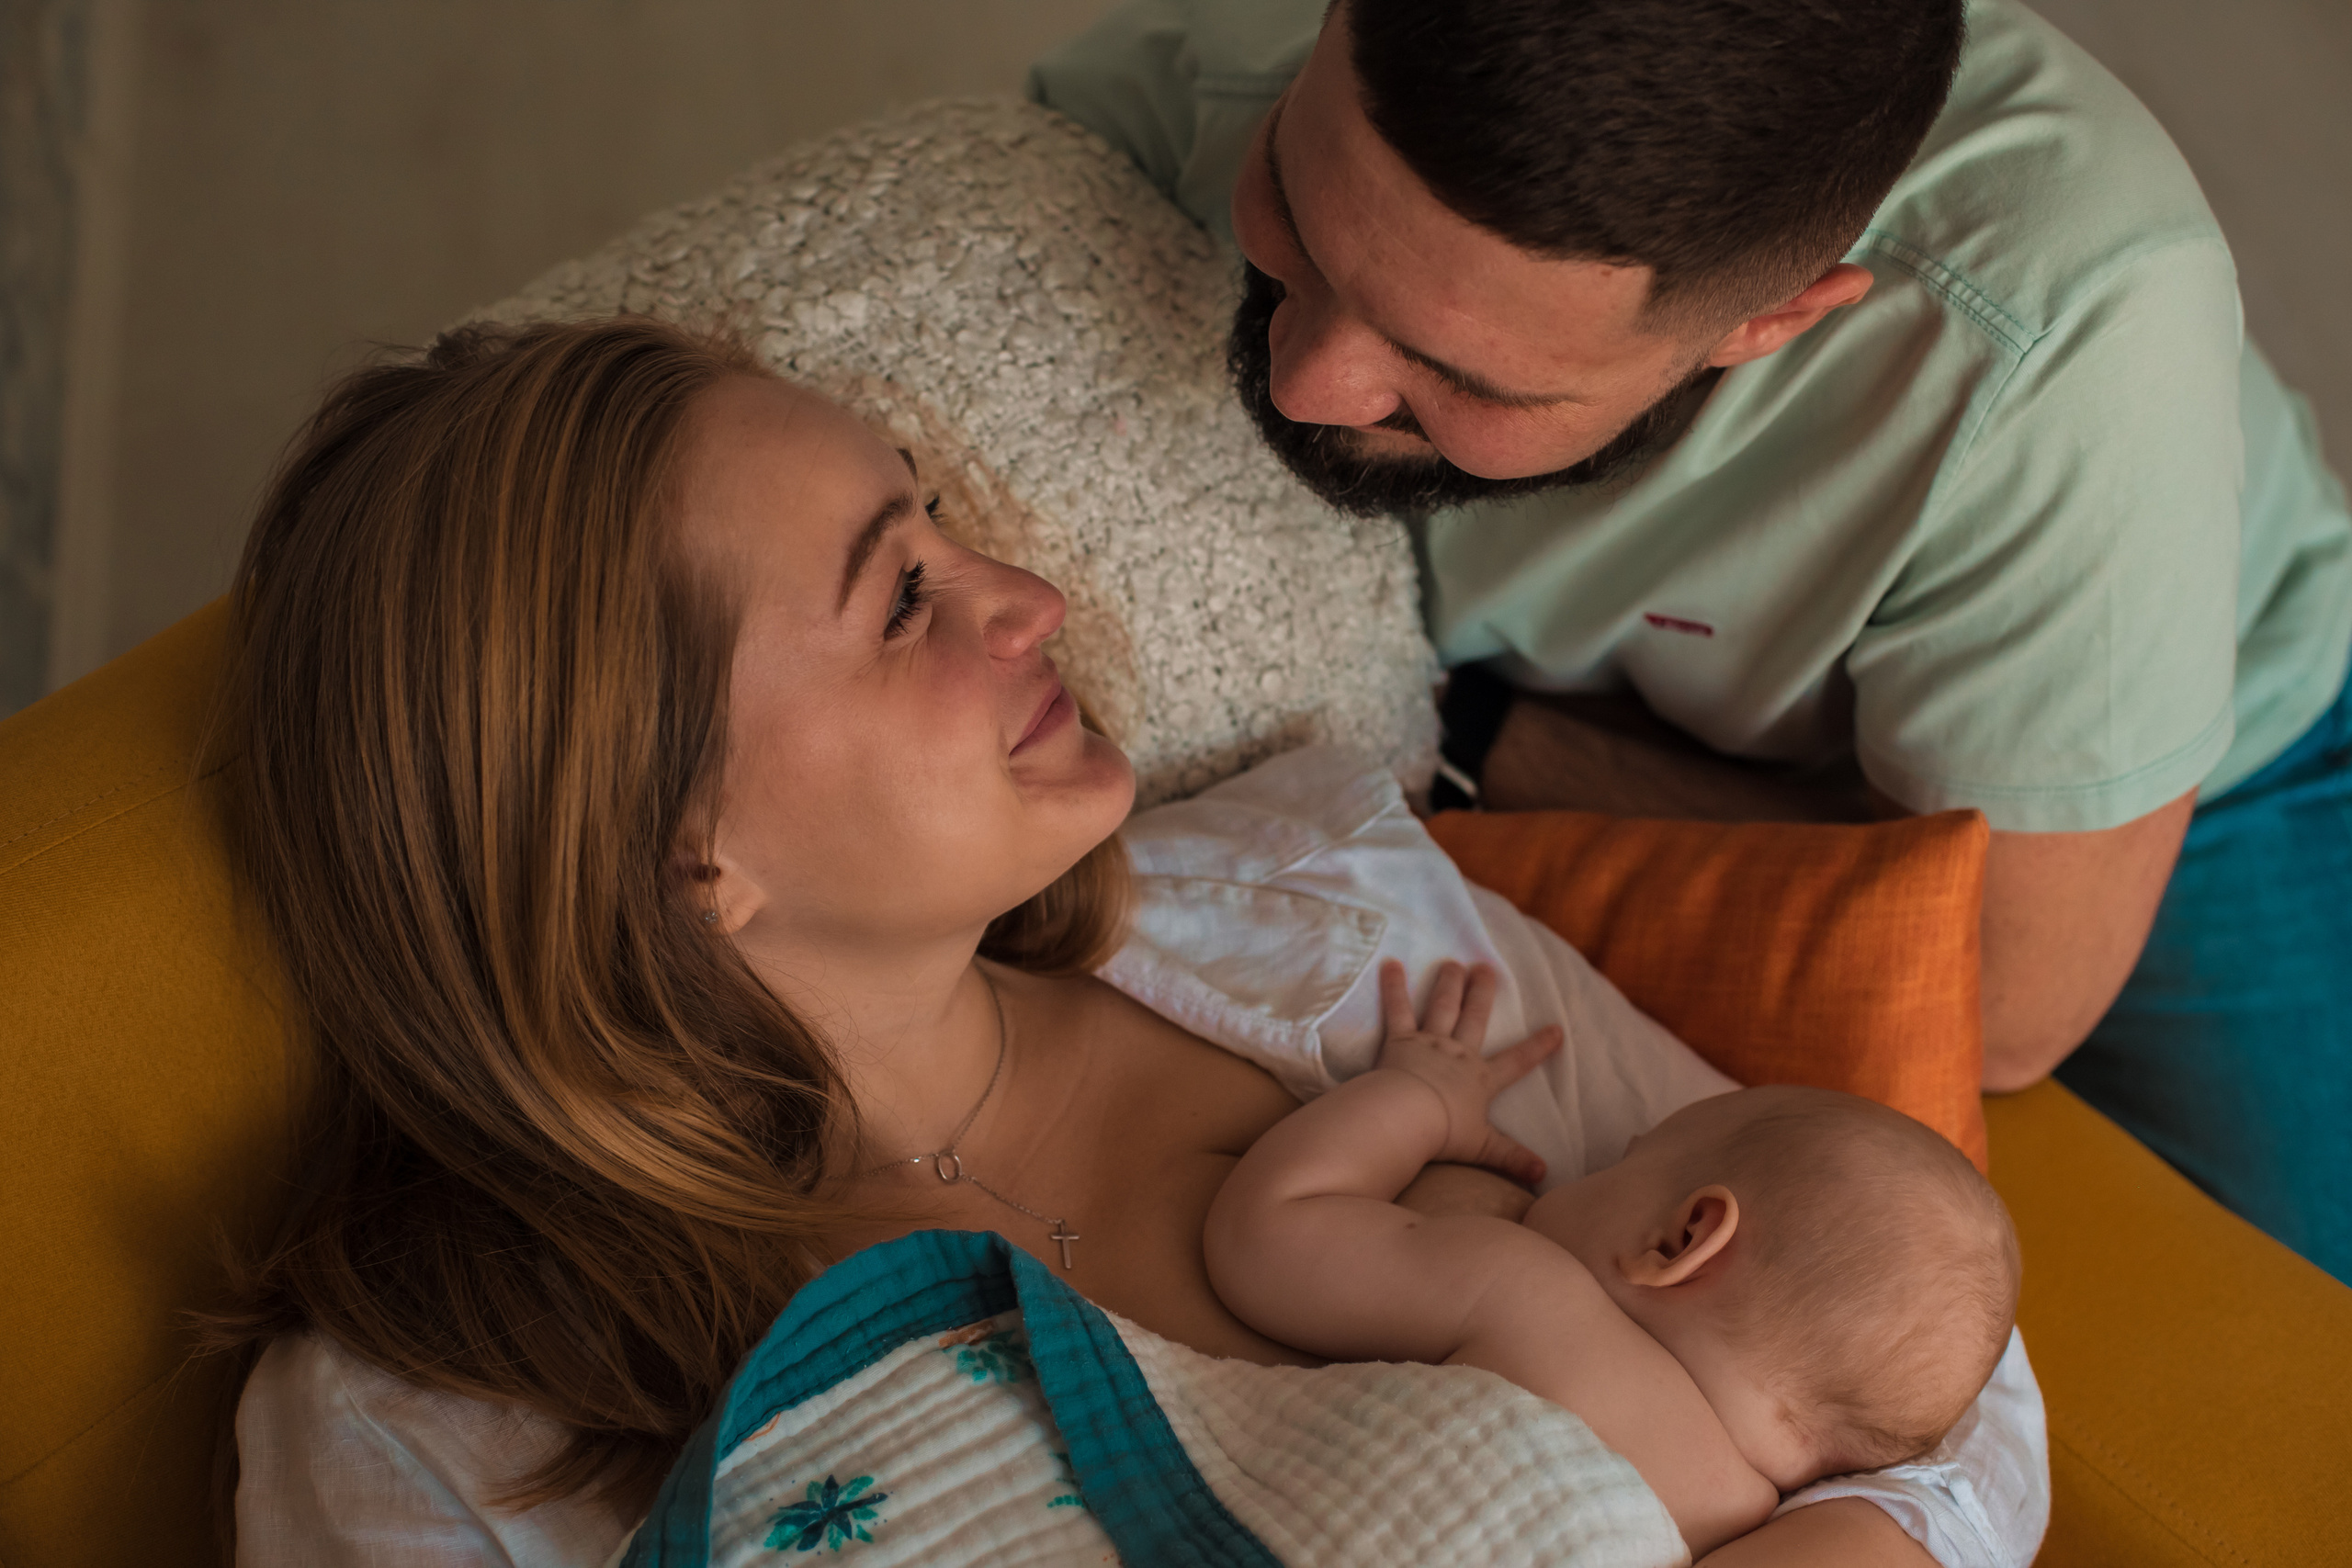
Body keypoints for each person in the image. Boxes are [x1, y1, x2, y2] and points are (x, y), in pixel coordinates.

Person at [219, 317, 2042, 1567]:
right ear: (679, 847)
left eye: (931, 509)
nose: (1030, 595)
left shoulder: (1326, 920)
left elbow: (1908, 1338)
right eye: (900, 595)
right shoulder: (435, 1411)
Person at [1028, 0, 2352, 1283]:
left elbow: (2003, 994)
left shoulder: (2067, 328)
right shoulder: (1182, 95)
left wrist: (1459, 731)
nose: (1303, 377)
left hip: (2180, 776)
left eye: (1466, 378)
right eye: (1296, 217)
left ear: (1770, 324)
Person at [1207, 960, 2021, 1561]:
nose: (1588, 1165)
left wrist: (1422, 1098)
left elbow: (1262, 1235)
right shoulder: (1742, 1522)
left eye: (1620, 1163)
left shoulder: (1527, 1292)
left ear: (1680, 1241)